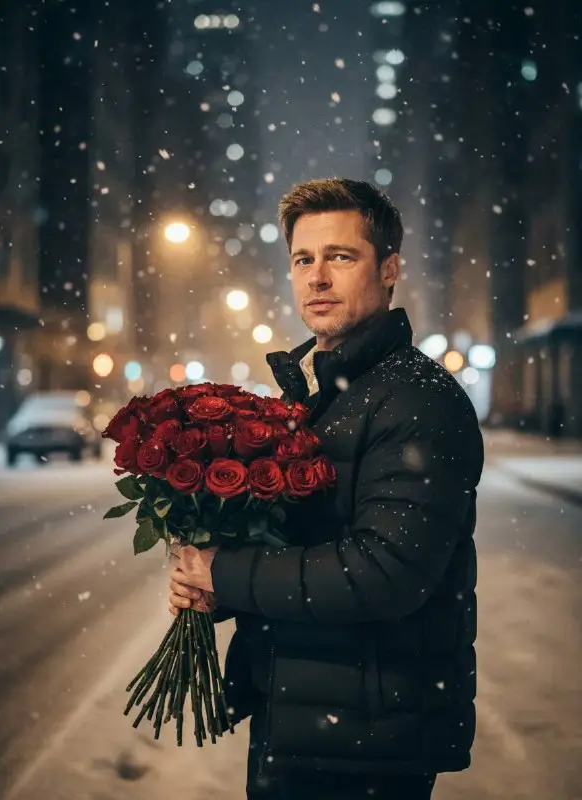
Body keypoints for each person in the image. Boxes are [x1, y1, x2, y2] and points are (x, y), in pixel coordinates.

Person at [168, 178, 484, 799]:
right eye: (303, 259)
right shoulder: (325, 394)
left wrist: (225, 572)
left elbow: (385, 572)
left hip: (365, 739)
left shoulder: (416, 398)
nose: (317, 277)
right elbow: (309, 541)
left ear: (389, 268)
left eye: (341, 257)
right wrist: (214, 584)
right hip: (309, 715)